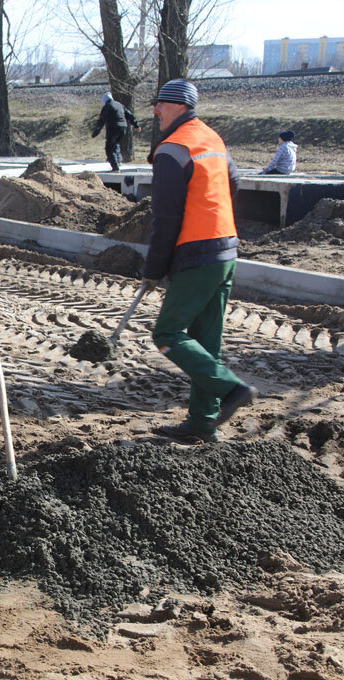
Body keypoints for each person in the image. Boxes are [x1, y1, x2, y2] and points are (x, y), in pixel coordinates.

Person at [142, 79, 257, 444]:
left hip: (197, 250)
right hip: (225, 249)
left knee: (167, 333)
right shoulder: (211, 138)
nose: (155, 110)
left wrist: (154, 268)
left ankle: (231, 388)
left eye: (160, 103)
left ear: (177, 105)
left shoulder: (172, 148)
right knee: (206, 339)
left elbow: (166, 218)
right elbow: (233, 182)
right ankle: (202, 423)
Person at [91, 91, 140, 172]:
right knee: (115, 145)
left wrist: (95, 132)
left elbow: (101, 120)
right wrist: (136, 125)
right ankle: (118, 161)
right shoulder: (119, 105)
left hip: (113, 128)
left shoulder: (107, 106)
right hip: (123, 128)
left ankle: (115, 167)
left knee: (109, 148)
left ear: (104, 101)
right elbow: (129, 115)